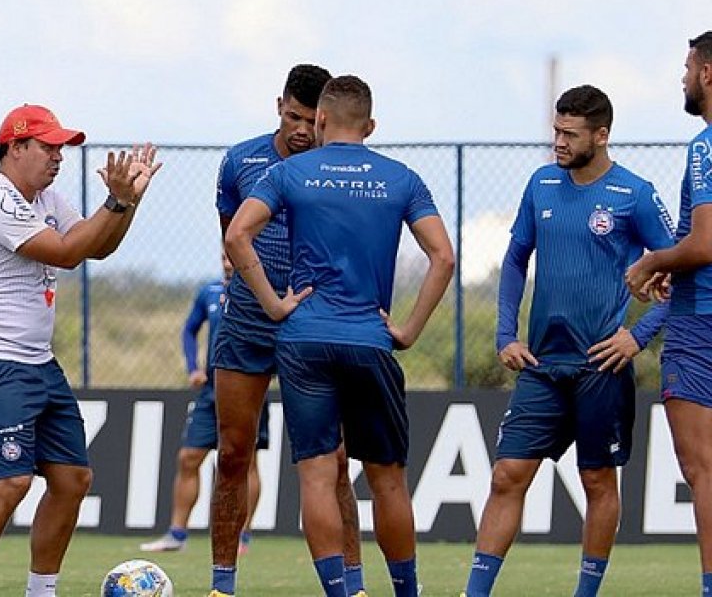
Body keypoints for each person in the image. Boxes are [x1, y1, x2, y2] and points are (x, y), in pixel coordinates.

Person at [225, 74, 455, 597]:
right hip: (370, 339)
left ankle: (338, 593)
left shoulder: (289, 172)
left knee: (317, 476)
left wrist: (273, 304)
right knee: (387, 479)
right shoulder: (402, 179)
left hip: (304, 339)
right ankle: (406, 592)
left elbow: (237, 235)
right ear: (370, 126)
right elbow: (443, 257)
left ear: (322, 120)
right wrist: (409, 329)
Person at [461, 85, 674, 597]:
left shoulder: (635, 194)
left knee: (597, 481)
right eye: (556, 131)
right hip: (541, 365)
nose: (558, 141)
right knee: (507, 475)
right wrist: (505, 334)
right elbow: (516, 259)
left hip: (601, 366)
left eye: (569, 134)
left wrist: (638, 336)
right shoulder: (541, 184)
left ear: (601, 136)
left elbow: (681, 276)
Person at [0, 104, 160, 597]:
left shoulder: (48, 198)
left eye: (61, 148)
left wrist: (127, 203)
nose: (58, 156)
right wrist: (115, 201)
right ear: (15, 147)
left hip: (35, 360)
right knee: (12, 482)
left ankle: (41, 591)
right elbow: (64, 253)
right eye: (48, 146)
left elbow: (96, 247)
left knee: (72, 478)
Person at [210, 63, 368, 597]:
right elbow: (232, 236)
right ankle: (222, 585)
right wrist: (261, 292)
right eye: (293, 117)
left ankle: (353, 584)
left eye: (311, 120)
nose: (301, 130)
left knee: (335, 460)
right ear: (279, 105)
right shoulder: (240, 161)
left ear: (326, 118)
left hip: (315, 320)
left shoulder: (338, 170)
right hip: (248, 319)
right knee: (233, 452)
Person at [626, 31, 712, 596]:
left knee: (703, 469)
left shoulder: (705, 147)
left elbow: (705, 243)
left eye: (687, 67)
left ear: (708, 73)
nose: (682, 78)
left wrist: (654, 260)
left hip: (700, 321)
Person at [140, 252, 269, 556]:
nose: (227, 263)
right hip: (211, 390)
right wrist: (193, 368)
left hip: (249, 388)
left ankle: (242, 534)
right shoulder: (209, 292)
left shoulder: (261, 290)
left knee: (246, 461)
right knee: (189, 457)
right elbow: (189, 329)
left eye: (232, 257)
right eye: (223, 256)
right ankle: (176, 534)